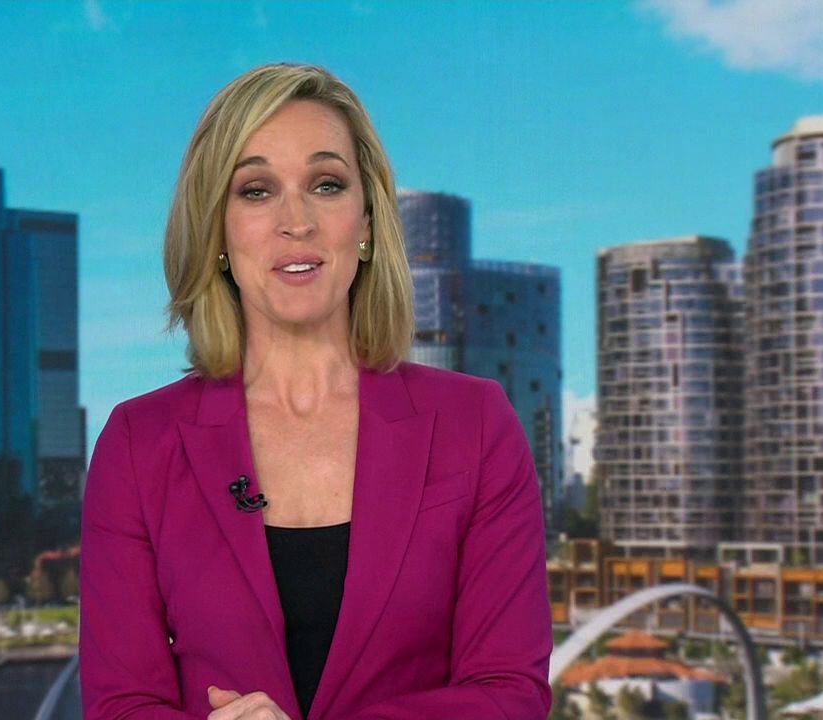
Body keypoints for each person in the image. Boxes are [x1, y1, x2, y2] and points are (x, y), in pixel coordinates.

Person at [79, 62, 552, 720]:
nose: (295, 221)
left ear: (366, 222)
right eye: (256, 190)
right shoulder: (139, 443)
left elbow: (509, 693)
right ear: (217, 232)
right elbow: (121, 704)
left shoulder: (475, 425)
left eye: (326, 185)